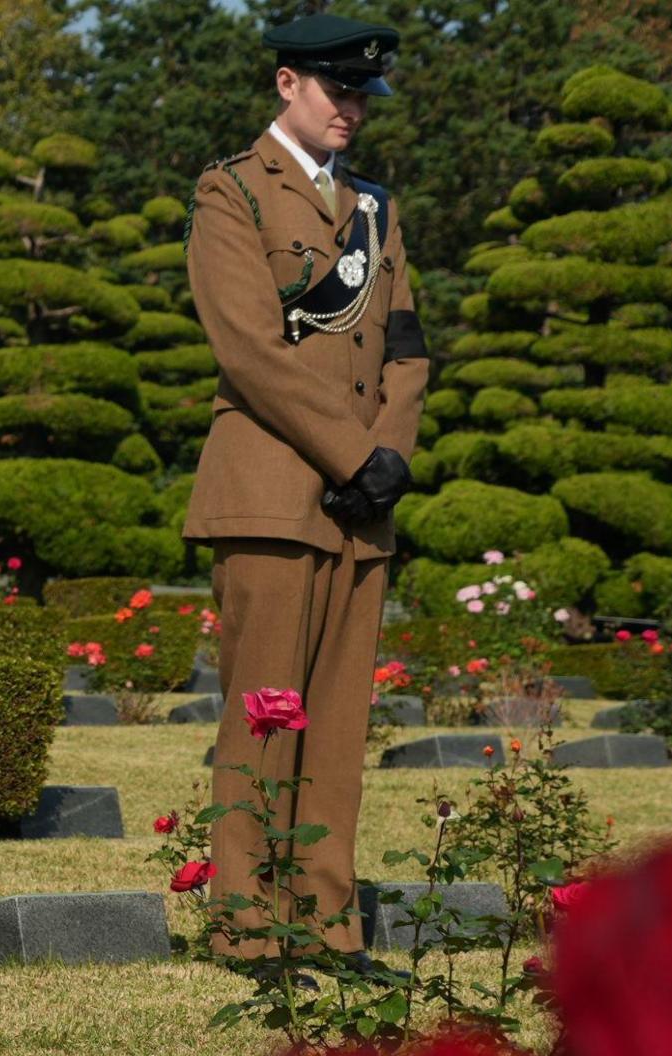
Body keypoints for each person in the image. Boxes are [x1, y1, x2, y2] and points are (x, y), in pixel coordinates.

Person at [180, 13, 429, 974]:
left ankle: (326, 926)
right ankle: (249, 929)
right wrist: (349, 454)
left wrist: (388, 461)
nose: (354, 110)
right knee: (266, 715)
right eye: (338, 91)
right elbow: (247, 346)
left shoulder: (374, 210)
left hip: (363, 502)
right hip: (274, 492)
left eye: (364, 95)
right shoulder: (232, 190)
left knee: (336, 724)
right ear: (288, 85)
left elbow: (405, 347)